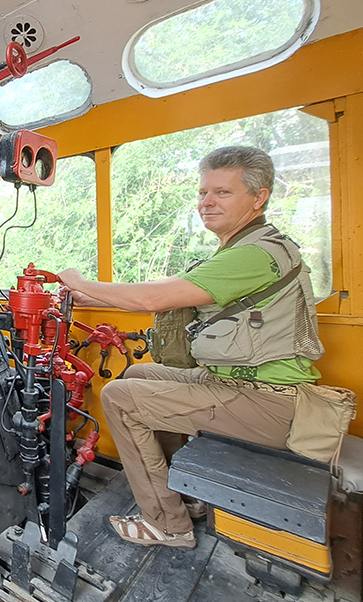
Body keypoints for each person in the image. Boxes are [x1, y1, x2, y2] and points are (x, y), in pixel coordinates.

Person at [58, 146, 323, 549]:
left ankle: (168, 524)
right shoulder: (242, 249)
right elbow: (167, 293)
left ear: (259, 197)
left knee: (119, 397)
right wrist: (84, 297)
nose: (206, 202)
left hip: (269, 401)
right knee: (138, 373)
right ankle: (181, 493)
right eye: (203, 193)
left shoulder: (255, 255)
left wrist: (80, 281)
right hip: (236, 383)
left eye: (222, 192)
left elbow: (153, 298)